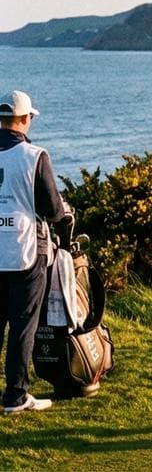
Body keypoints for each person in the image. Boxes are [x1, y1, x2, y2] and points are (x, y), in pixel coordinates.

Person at [1, 90, 72, 415]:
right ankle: (16, 396)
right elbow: (52, 208)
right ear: (26, 119)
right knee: (22, 324)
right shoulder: (34, 155)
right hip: (25, 249)